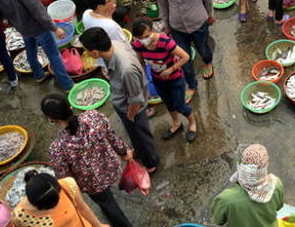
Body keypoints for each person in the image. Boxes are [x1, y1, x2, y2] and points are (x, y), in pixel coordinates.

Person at [41, 93, 135, 227]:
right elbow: (112, 137)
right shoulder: (95, 117)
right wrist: (124, 151)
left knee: (108, 204)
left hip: (91, 184)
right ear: (70, 106)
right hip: (110, 167)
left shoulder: (57, 148)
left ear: (51, 119)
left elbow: (65, 179)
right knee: (108, 199)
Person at [80, 27, 159, 173]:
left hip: (132, 108)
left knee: (141, 134)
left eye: (87, 50)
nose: (86, 53)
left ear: (95, 52)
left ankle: (151, 163)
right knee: (134, 133)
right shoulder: (114, 44)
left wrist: (130, 115)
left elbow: (136, 99)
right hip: (122, 99)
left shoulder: (126, 69)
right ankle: (139, 150)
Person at [146, 0, 215, 101]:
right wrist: (167, 24)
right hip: (176, 26)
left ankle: (208, 62)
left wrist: (211, 15)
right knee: (184, 58)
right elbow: (163, 4)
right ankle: (191, 85)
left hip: (198, 22)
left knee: (203, 48)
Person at [132, 17, 197, 142]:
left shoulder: (165, 41)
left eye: (146, 36)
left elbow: (185, 57)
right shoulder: (138, 45)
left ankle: (192, 123)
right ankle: (176, 123)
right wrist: (144, 80)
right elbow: (141, 62)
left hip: (175, 79)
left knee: (180, 105)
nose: (144, 40)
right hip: (158, 79)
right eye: (140, 38)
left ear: (152, 30)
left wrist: (170, 70)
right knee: (169, 103)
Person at [211, 144, 284, 227]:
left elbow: (218, 220)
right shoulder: (276, 184)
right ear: (265, 166)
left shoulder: (225, 199)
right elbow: (278, 207)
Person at [12, 172, 106, 227]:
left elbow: (82, 208)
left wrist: (98, 225)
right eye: (48, 206)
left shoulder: (68, 185)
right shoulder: (20, 216)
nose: (55, 207)